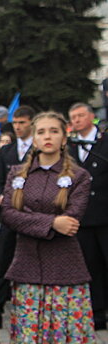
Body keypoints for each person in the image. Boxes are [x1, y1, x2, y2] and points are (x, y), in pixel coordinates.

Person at [1, 111, 95, 344]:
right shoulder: (16, 174)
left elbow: (72, 220)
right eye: (41, 132)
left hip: (66, 269)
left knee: (66, 337)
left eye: (54, 131)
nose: (47, 136)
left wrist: (29, 217)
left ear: (65, 138)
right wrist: (52, 222)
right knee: (29, 338)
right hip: (26, 267)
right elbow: (9, 215)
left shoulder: (80, 176)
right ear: (34, 138)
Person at [0, 105, 35, 326]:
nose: (18, 127)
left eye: (22, 123)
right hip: (10, 216)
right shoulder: (6, 151)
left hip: (33, 217)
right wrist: (0, 196)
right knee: (3, 263)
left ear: (31, 123)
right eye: (15, 123)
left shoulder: (38, 149)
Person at [68, 102, 108, 330]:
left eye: (81, 115)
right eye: (73, 117)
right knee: (91, 266)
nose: (77, 120)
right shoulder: (71, 147)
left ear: (91, 117)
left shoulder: (104, 142)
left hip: (105, 215)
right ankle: (97, 311)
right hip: (83, 219)